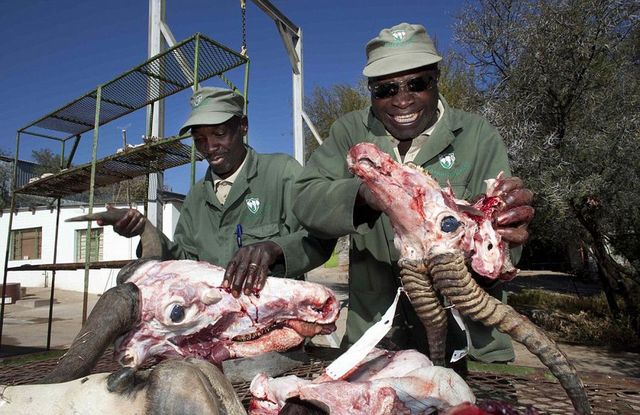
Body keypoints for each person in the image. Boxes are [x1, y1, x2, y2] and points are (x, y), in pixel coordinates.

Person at [292, 23, 534, 366]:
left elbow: (502, 248)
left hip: (468, 345)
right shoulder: (349, 130)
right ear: (370, 91)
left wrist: (508, 234)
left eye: (417, 84)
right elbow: (306, 200)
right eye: (386, 89)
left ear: (437, 79)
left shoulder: (477, 135)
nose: (402, 99)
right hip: (376, 340)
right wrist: (368, 194)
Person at [105, 87, 334, 296]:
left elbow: (319, 237)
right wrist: (146, 233)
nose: (210, 147)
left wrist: (275, 249)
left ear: (243, 126)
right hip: (215, 322)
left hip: (274, 321)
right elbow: (184, 262)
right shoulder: (196, 197)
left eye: (220, 133)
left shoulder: (281, 172)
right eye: (200, 139)